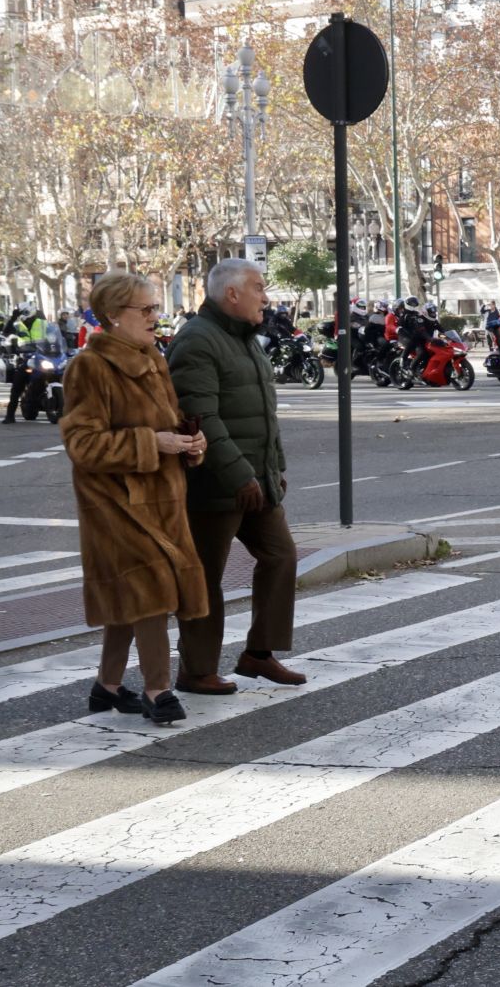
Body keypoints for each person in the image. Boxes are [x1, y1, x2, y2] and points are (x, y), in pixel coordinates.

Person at [61, 270, 209, 725]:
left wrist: (190, 443)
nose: (154, 317)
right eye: (144, 309)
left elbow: (171, 422)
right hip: (116, 504)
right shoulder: (90, 366)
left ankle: (106, 687)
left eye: (155, 307)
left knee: (132, 595)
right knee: (152, 591)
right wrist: (152, 444)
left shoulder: (152, 358)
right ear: (112, 316)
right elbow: (82, 444)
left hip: (162, 499)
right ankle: (157, 690)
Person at [166, 258, 303, 696]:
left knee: (281, 557)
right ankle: (196, 669)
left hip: (254, 481)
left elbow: (264, 416)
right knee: (205, 577)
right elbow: (200, 417)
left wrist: (271, 471)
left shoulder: (246, 339)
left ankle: (258, 654)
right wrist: (241, 475)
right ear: (232, 294)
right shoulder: (197, 341)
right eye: (259, 288)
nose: (266, 296)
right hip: (214, 485)